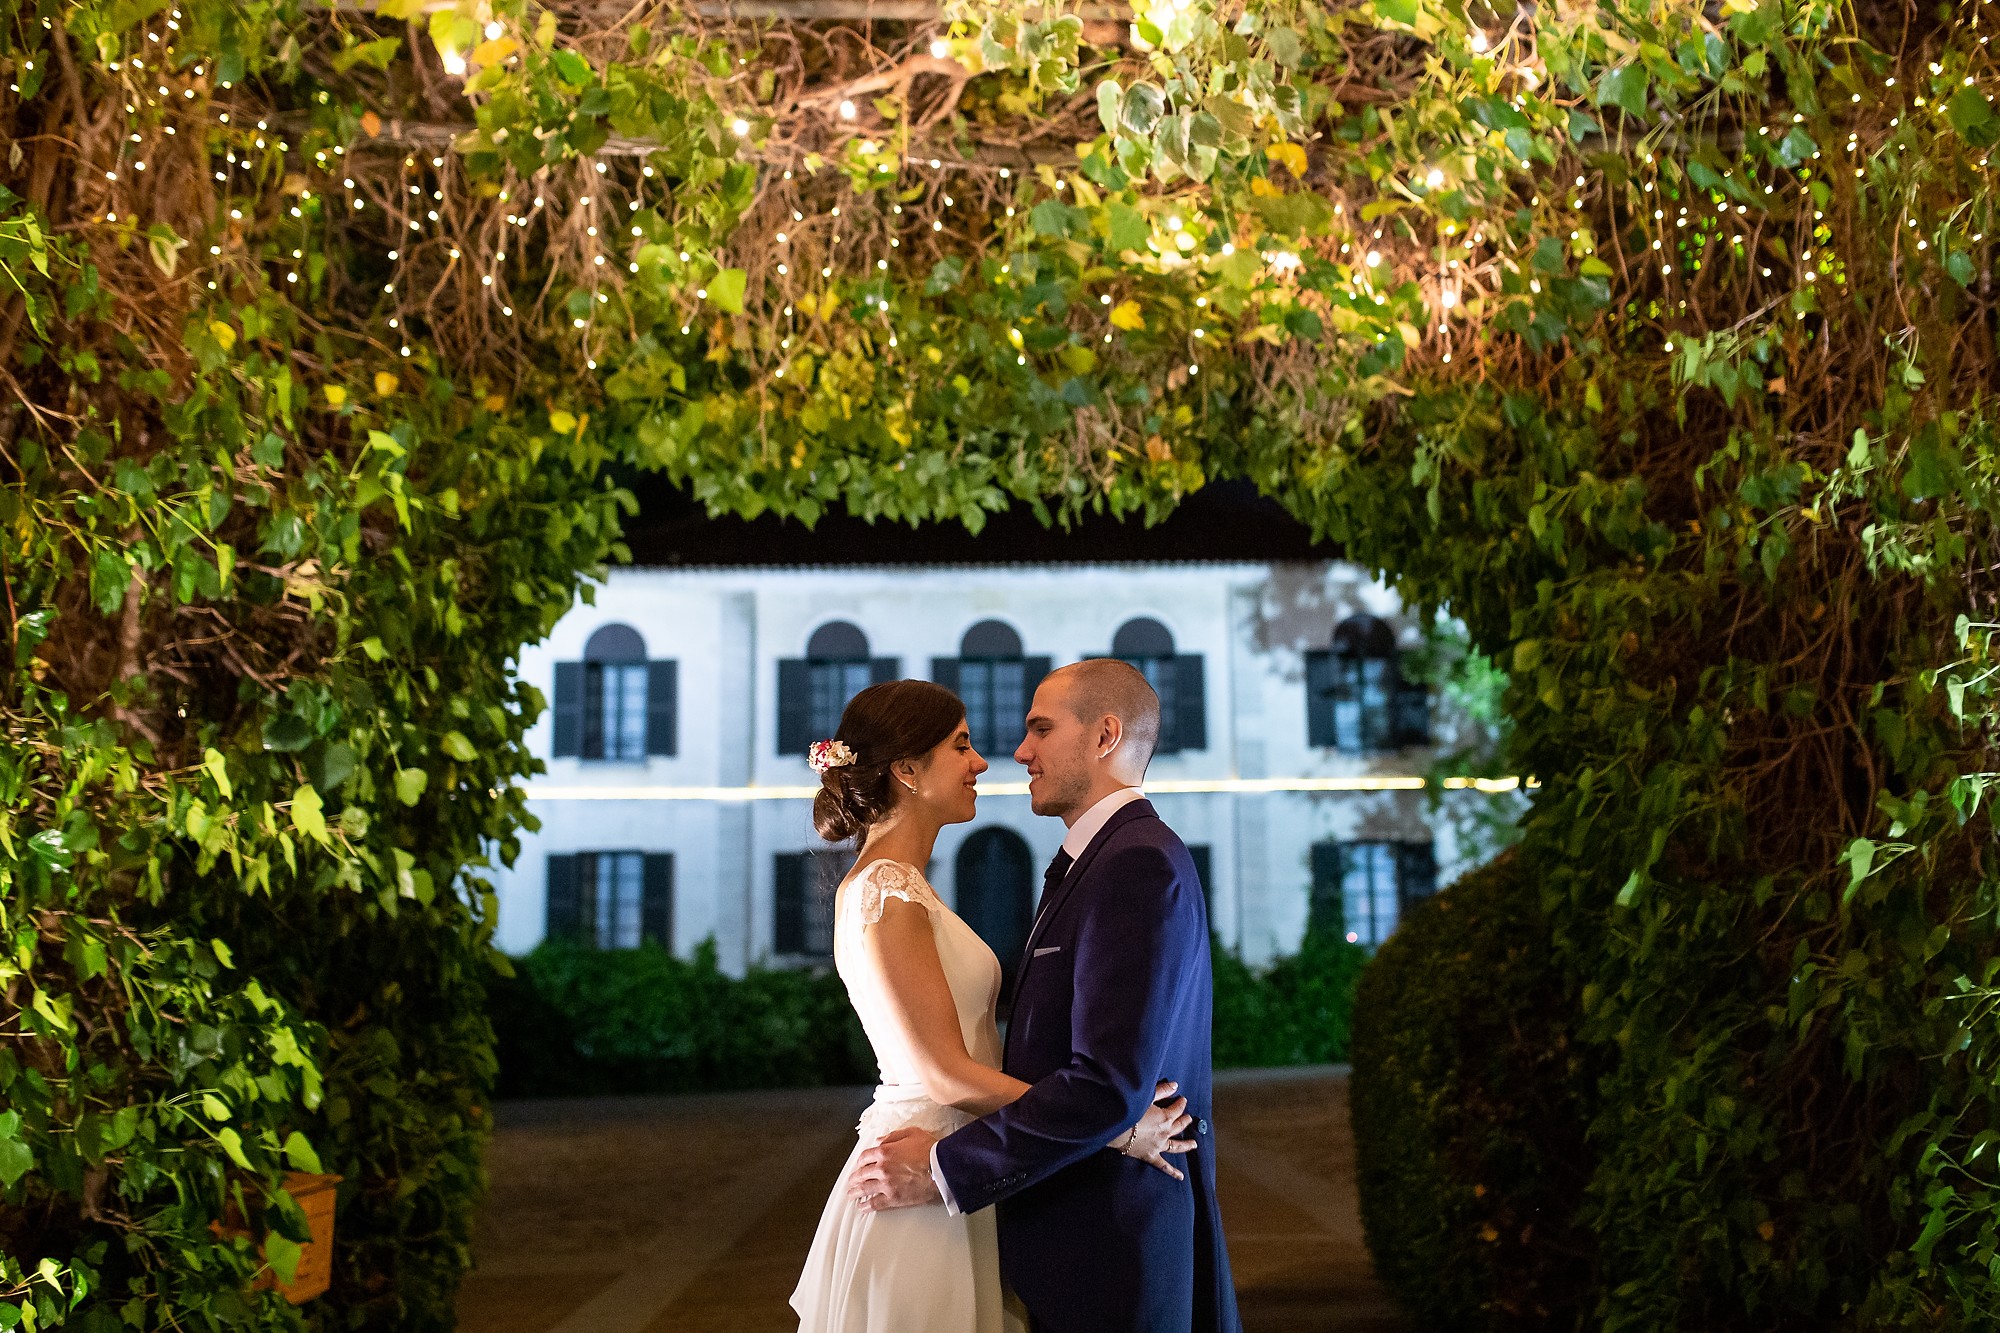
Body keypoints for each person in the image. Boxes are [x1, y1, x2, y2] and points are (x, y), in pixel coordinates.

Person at [790, 678, 1195, 1333]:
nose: (983, 762)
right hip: (919, 1170)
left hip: (955, 1162)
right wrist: (1114, 1126)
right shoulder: (885, 895)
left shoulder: (904, 889)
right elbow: (946, 1073)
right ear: (908, 770)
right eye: (962, 745)